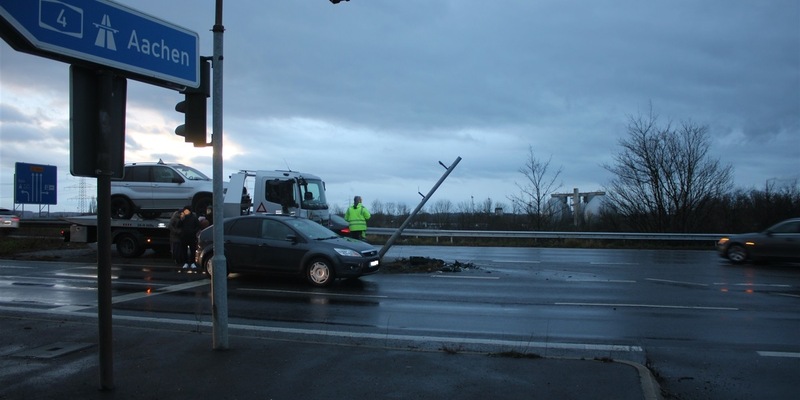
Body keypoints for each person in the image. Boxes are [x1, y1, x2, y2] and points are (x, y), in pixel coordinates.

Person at [176, 206, 200, 271]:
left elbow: (198, 226)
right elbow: (178, 225)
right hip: (184, 236)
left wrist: (194, 231)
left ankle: (193, 262)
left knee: (193, 250)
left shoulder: (194, 217)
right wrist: (181, 219)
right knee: (184, 250)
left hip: (192, 236)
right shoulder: (183, 218)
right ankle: (185, 262)